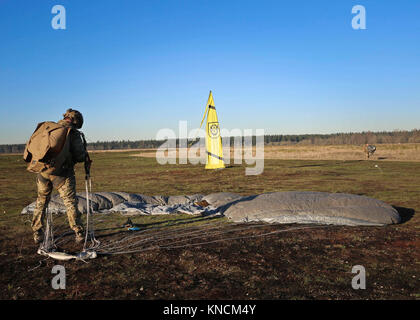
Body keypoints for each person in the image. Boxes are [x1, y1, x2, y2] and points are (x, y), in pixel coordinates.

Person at [31, 109, 89, 244]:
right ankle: (78, 231)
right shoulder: (72, 133)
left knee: (41, 201)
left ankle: (37, 232)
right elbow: (80, 156)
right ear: (76, 121)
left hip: (43, 172)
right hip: (63, 174)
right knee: (70, 203)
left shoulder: (50, 129)